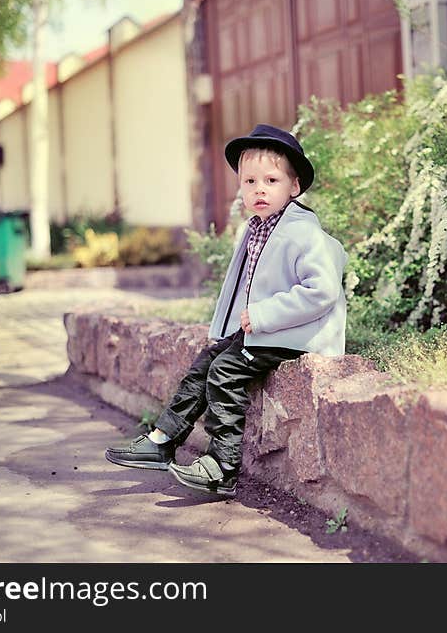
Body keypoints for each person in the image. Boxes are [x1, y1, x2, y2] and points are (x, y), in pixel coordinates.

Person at [105, 124, 348, 497]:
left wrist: (263, 315)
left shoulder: (304, 232)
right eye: (250, 181)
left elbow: (323, 291)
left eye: (271, 180)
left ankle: (222, 466)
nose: (259, 189)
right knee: (206, 361)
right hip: (270, 329)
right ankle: (162, 439)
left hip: (298, 333)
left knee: (224, 372)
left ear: (294, 187)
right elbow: (241, 286)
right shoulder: (257, 228)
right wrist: (225, 329)